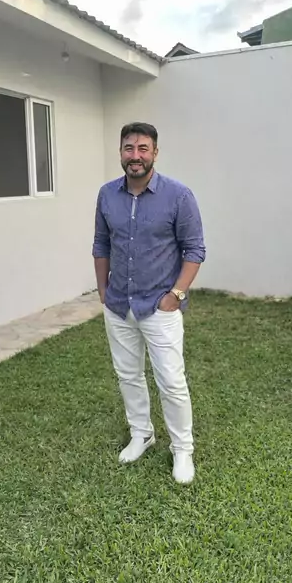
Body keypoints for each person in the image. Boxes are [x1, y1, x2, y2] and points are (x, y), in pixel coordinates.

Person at [92, 122, 205, 484]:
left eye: (143, 148)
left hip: (159, 305)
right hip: (118, 305)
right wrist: (103, 291)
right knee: (128, 374)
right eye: (129, 148)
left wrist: (176, 295)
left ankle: (182, 449)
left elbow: (194, 250)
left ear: (155, 153)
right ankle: (141, 433)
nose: (135, 155)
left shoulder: (179, 196)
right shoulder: (107, 195)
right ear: (120, 152)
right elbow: (101, 245)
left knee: (171, 380)